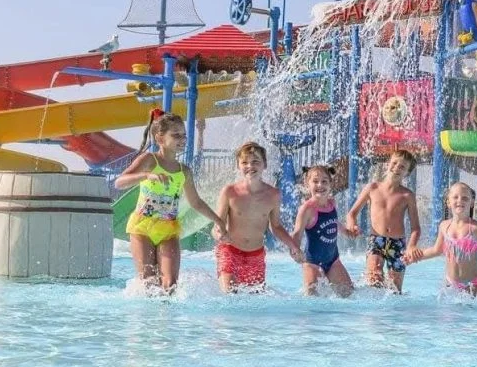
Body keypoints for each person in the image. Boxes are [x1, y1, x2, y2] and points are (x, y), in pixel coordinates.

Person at [115, 109, 228, 294]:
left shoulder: (184, 171)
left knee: (170, 285)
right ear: (160, 138)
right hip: (142, 228)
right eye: (176, 135)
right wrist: (146, 175)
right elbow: (119, 182)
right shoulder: (149, 160)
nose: (182, 139)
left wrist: (218, 220)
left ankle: (167, 313)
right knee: (149, 282)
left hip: (168, 229)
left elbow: (196, 202)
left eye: (183, 135)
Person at [212, 141, 302, 293]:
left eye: (255, 162)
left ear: (264, 165)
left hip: (256, 255)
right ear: (238, 165)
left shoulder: (273, 195)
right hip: (230, 251)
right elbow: (216, 226)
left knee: (255, 298)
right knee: (230, 293)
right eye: (244, 162)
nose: (250, 166)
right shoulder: (229, 192)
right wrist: (219, 234)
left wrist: (293, 246)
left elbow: (276, 226)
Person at [344, 149, 423, 293]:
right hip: (376, 240)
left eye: (402, 167)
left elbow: (416, 228)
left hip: (398, 243)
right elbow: (351, 214)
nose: (397, 168)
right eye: (394, 163)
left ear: (407, 173)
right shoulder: (372, 188)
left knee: (395, 289)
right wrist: (351, 225)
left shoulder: (407, 195)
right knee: (374, 277)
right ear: (388, 163)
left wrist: (411, 246)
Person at [404, 182, 477, 296]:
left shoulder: (476, 228)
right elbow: (436, 250)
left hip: (473, 284)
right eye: (455, 197)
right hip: (450, 284)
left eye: (465, 198)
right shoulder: (444, 226)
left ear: (472, 202)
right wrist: (414, 257)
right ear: (448, 202)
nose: (460, 201)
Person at [291, 165, 353, 297]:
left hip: (333, 260)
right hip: (312, 262)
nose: (320, 185)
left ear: (330, 184)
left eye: (324, 181)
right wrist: (295, 249)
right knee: (312, 298)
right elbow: (297, 232)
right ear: (307, 184)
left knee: (349, 294)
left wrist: (346, 231)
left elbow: (334, 222)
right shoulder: (307, 209)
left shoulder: (332, 203)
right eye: (315, 181)